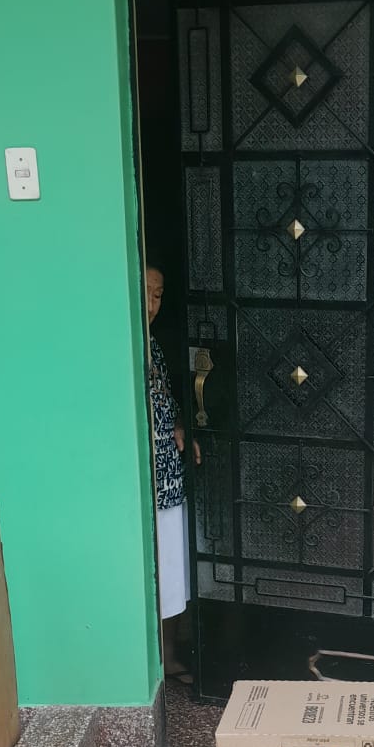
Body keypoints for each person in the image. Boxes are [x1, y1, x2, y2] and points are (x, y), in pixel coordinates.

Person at [145, 261, 201, 683]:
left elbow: (164, 398)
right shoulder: (121, 344)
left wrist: (181, 425)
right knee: (158, 567)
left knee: (172, 564)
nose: (151, 304)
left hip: (167, 471)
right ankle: (160, 659)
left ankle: (169, 653)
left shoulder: (151, 343)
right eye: (145, 292)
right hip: (145, 475)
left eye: (158, 295)